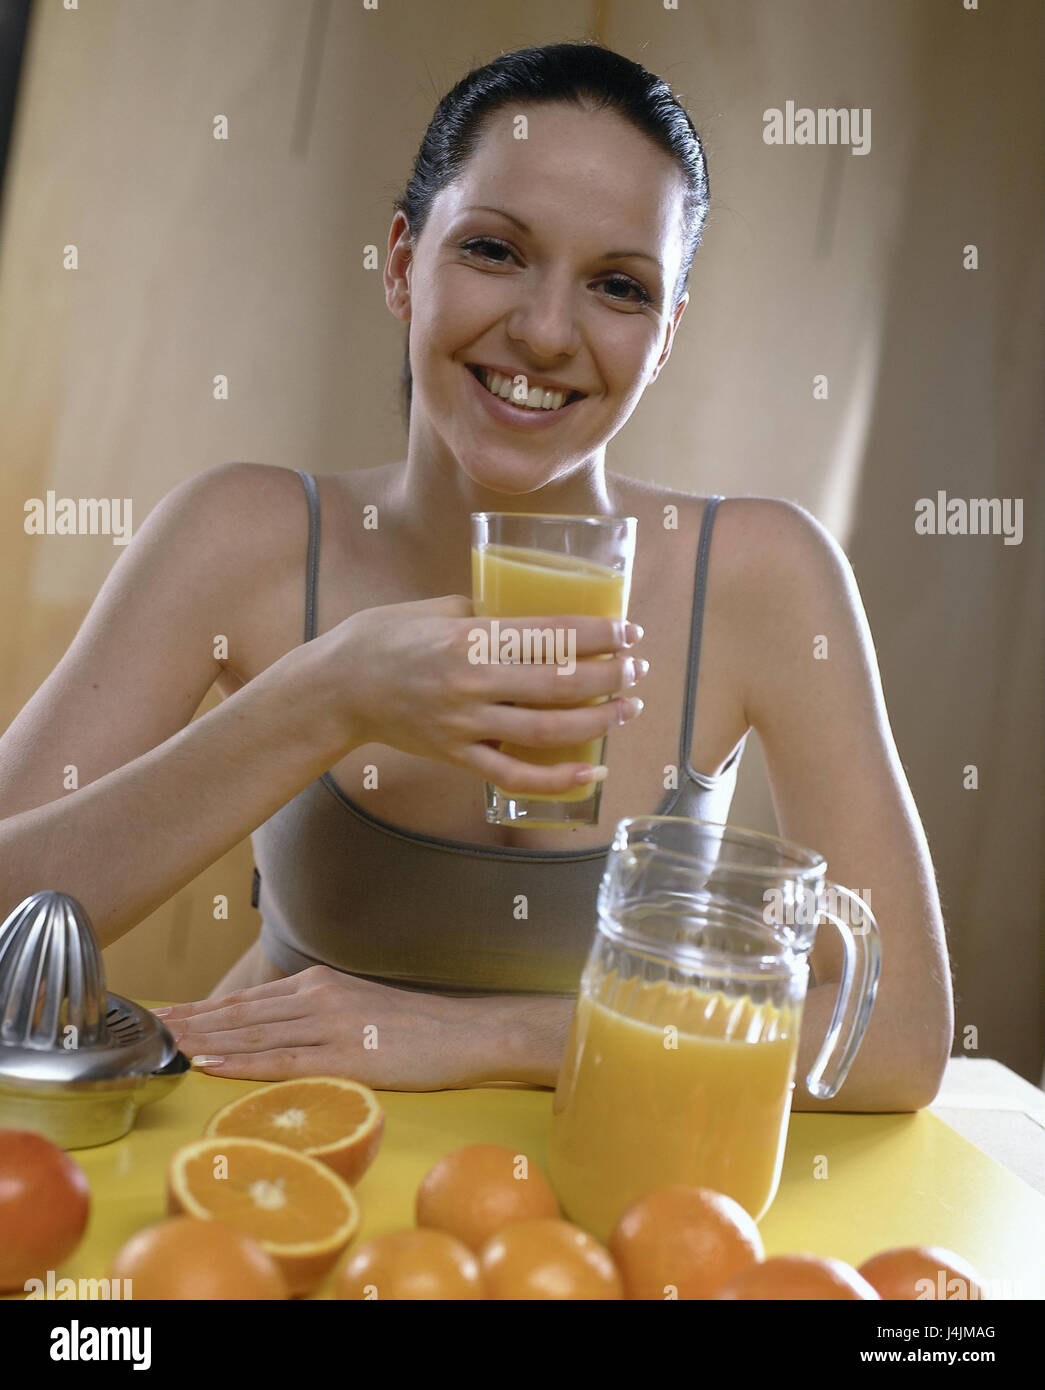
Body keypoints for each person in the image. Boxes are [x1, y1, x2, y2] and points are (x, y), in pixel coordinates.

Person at [0, 42, 952, 1105]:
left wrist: (487, 1035)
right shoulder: (244, 537)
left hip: (594, 1196)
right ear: (404, 261)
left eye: (619, 286)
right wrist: (326, 694)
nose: (546, 332)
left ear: (667, 333)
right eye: (495, 250)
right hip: (285, 1155)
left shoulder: (765, 575)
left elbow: (902, 1035)